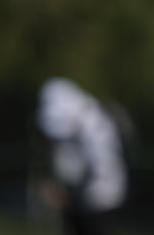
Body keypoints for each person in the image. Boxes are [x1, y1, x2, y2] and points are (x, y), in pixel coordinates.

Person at [36, 77, 129, 235]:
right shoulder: (74, 124)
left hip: (100, 207)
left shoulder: (95, 126)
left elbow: (99, 170)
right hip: (79, 204)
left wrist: (64, 193)